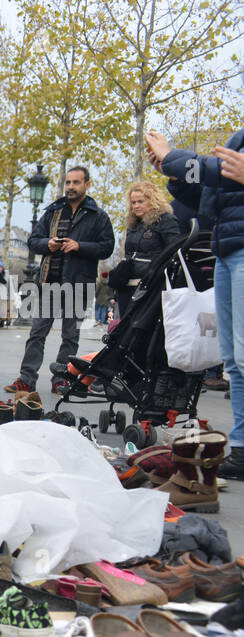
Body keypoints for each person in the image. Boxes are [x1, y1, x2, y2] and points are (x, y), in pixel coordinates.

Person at [146, 126, 244, 477]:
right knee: (233, 359)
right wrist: (171, 171)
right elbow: (210, 187)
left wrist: (173, 158)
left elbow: (214, 170)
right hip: (227, 247)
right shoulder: (239, 135)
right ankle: (242, 448)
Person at [5, 166, 115, 394]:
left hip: (78, 285)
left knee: (70, 336)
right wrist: (48, 244)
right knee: (37, 333)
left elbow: (107, 248)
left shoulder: (98, 216)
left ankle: (62, 380)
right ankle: (26, 379)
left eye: (76, 182)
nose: (71, 187)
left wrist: (79, 246)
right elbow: (33, 240)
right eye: (68, 183)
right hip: (49, 282)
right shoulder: (53, 212)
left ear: (87, 184)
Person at [110, 181, 182, 318]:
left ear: (153, 200)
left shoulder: (166, 221)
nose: (136, 206)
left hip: (152, 286)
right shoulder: (132, 225)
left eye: (140, 201)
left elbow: (175, 251)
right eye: (133, 202)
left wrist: (155, 272)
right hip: (128, 286)